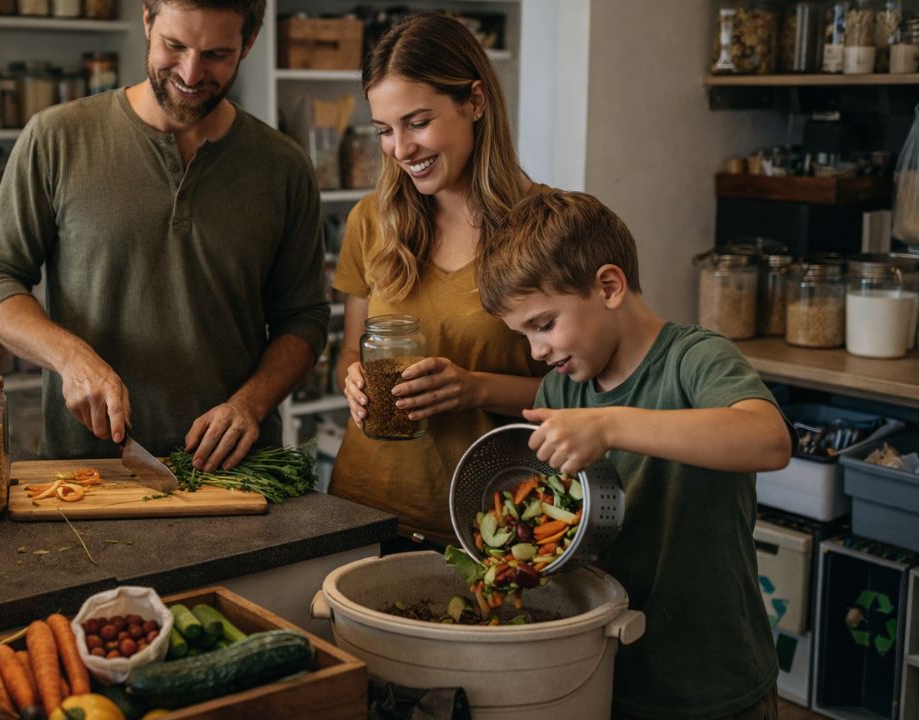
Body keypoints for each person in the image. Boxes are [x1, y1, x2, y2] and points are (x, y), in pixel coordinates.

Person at [0, 0, 328, 469]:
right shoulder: (57, 137)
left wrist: (250, 405)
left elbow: (304, 317)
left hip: (237, 474)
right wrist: (71, 357)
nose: (191, 73)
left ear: (249, 42)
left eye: (216, 54)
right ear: (147, 20)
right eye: (174, 46)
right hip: (87, 473)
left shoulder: (283, 166)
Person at [478, 189, 793, 719]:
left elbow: (768, 439)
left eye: (544, 324)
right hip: (607, 671)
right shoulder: (561, 391)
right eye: (524, 334)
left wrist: (611, 425)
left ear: (608, 286)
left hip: (713, 680)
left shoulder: (696, 359)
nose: (537, 351)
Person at [331, 13, 546, 547]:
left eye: (418, 122)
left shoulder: (548, 229)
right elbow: (350, 356)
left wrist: (475, 388)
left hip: (491, 523)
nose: (401, 150)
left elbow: (584, 400)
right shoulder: (371, 221)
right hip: (359, 508)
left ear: (475, 102)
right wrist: (354, 382)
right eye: (384, 130)